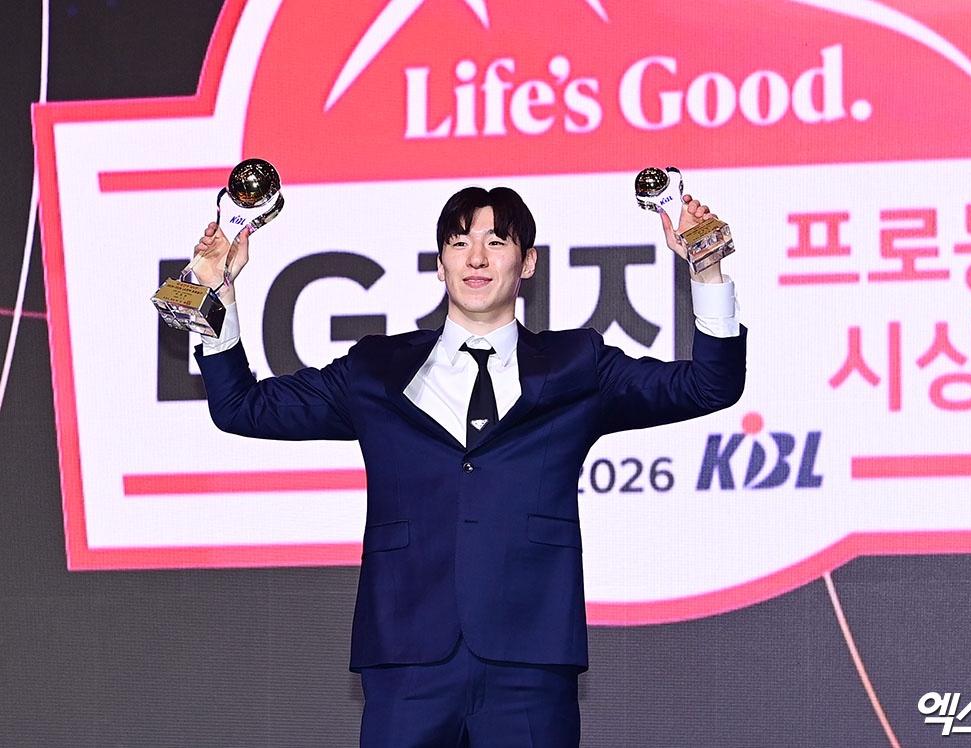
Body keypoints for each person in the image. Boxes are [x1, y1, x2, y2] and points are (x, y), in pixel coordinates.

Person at [190, 185, 747, 747]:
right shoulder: (375, 368)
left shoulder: (577, 365)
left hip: (530, 658)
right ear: (440, 265)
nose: (476, 258)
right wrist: (218, 291)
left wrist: (706, 267)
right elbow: (241, 407)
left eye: (496, 242)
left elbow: (709, 386)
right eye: (459, 243)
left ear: (527, 263)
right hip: (407, 655)